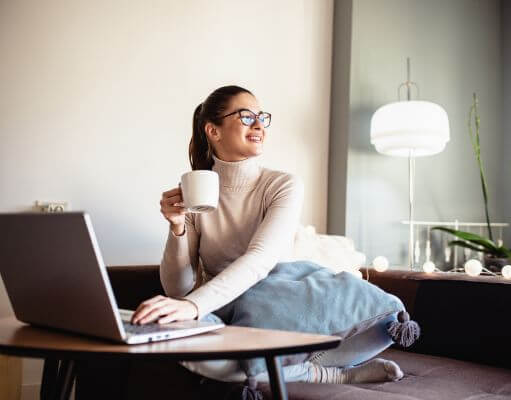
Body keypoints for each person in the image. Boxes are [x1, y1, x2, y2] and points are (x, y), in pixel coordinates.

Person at [130, 85, 404, 384]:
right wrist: (177, 227)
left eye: (262, 117)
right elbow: (177, 289)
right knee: (160, 331)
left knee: (383, 319)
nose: (259, 125)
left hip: (284, 303)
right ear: (213, 131)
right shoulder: (197, 191)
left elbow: (260, 259)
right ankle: (315, 374)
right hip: (226, 311)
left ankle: (319, 372)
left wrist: (193, 306)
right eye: (246, 117)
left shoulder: (281, 184)